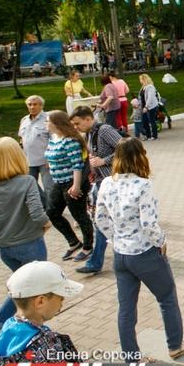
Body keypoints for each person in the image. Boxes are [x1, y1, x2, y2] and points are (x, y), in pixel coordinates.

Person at [95, 138, 184, 361]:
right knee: (167, 297)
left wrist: (115, 238)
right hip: (144, 253)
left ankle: (131, 356)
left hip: (121, 254)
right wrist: (161, 242)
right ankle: (175, 345)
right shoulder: (143, 185)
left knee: (126, 308)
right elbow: (149, 224)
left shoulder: (106, 184)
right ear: (141, 156)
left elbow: (99, 218)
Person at [0, 261, 104, 366]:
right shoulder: (46, 349)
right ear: (41, 301)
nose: (63, 300)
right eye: (60, 296)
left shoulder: (3, 333)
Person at [0, 138, 51, 332]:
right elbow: (36, 212)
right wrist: (46, 223)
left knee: (22, 287)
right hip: (30, 246)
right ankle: (4, 322)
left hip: (4, 248)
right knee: (33, 288)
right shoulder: (27, 181)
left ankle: (13, 322)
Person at [70, 106, 122, 275]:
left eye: (78, 123)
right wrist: (93, 172)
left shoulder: (104, 129)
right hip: (103, 183)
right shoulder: (89, 133)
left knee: (104, 222)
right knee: (103, 222)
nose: (76, 127)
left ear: (88, 119)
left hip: (115, 183)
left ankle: (97, 261)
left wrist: (103, 161)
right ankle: (97, 261)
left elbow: (126, 149)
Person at [45, 111, 95, 263]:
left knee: (79, 215)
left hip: (72, 183)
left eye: (47, 121)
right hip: (58, 182)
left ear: (56, 123)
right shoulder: (54, 137)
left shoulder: (71, 140)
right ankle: (74, 242)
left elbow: (77, 165)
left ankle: (88, 247)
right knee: (52, 212)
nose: (45, 124)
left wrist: (76, 186)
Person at [18, 95, 53, 196]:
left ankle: (51, 211)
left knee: (49, 187)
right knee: (30, 188)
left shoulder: (48, 119)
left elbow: (54, 138)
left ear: (41, 106)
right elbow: (21, 139)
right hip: (28, 161)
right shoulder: (23, 120)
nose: (32, 107)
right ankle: (42, 206)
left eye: (35, 104)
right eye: (29, 104)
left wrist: (50, 157)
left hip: (45, 161)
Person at [138, 73, 160, 140]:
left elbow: (150, 98)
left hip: (150, 107)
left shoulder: (150, 87)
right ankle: (148, 135)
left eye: (141, 79)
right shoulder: (143, 87)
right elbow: (141, 97)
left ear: (144, 79)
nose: (140, 81)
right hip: (144, 107)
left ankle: (154, 135)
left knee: (151, 121)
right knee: (144, 122)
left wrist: (146, 107)